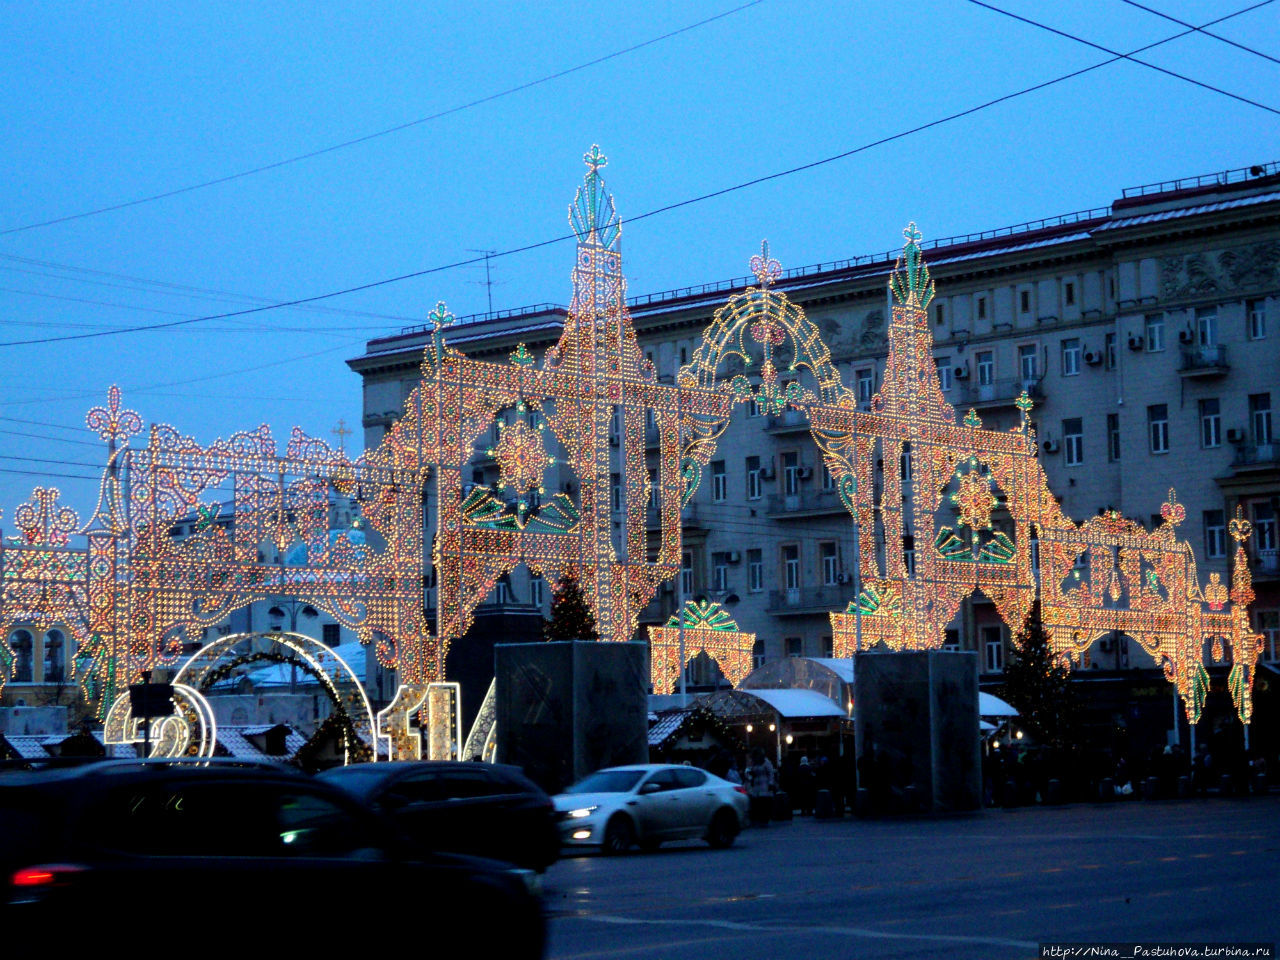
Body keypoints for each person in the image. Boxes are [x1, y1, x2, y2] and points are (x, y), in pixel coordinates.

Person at [746, 748, 776, 827]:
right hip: (756, 784)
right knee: (757, 802)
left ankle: (764, 819)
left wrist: (770, 783)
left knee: (764, 801)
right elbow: (751, 771)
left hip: (764, 784)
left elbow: (770, 773)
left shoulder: (766, 762)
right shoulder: (754, 763)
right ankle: (759, 819)